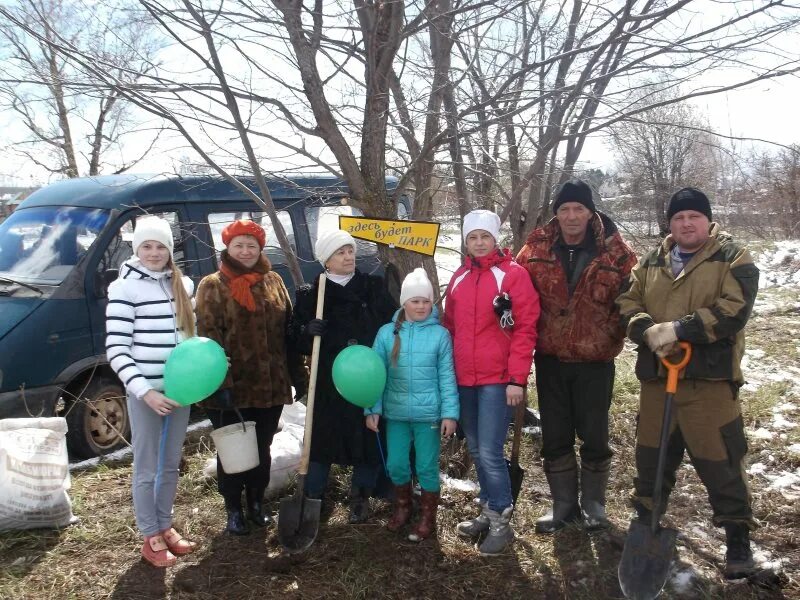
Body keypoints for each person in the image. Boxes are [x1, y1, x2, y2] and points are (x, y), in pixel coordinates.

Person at [616, 187, 760, 579]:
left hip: (709, 382)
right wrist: (646, 330)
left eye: (694, 216)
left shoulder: (732, 257)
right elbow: (628, 303)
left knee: (721, 461)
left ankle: (737, 543)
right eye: (679, 218)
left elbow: (735, 309)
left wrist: (680, 329)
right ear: (670, 223)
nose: (686, 223)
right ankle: (646, 525)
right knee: (651, 458)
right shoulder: (651, 260)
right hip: (659, 381)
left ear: (707, 220)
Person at [516, 179, 637, 533]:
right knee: (555, 434)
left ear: (590, 212)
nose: (571, 216)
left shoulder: (617, 254)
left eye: (579, 209)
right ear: (557, 213)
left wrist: (625, 330)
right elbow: (516, 288)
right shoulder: (535, 249)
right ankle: (563, 505)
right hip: (550, 359)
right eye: (565, 209)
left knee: (595, 434)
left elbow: (633, 300)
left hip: (595, 362)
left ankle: (594, 505)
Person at [196, 220, 308, 535]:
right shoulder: (212, 285)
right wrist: (222, 385)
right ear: (228, 248)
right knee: (234, 454)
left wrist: (299, 376)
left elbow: (288, 332)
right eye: (239, 245)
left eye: (251, 245)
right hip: (229, 388)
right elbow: (208, 338)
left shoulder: (273, 281)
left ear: (260, 248)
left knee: (261, 449)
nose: (245, 251)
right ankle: (233, 508)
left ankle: (256, 504)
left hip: (270, 386)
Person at [443, 209, 539, 556]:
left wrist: (517, 378)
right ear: (466, 242)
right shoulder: (458, 277)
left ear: (495, 239)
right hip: (464, 379)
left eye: (485, 236)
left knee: (490, 451)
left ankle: (501, 522)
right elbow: (450, 328)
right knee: (474, 447)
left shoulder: (513, 275)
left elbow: (525, 328)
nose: (479, 243)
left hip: (498, 380)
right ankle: (488, 509)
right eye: (473, 238)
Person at [105, 216, 197, 568]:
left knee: (171, 464)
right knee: (147, 468)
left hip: (179, 392)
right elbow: (117, 349)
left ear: (170, 250)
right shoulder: (124, 289)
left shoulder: (183, 285)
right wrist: (145, 393)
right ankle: (150, 535)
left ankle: (165, 523)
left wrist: (202, 372)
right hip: (147, 395)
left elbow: (190, 337)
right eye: (147, 246)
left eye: (161, 246)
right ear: (136, 249)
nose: (154, 253)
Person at [289, 229, 397, 523]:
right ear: (326, 260)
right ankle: (313, 497)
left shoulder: (372, 288)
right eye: (340, 252)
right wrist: (306, 331)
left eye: (350, 251)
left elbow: (391, 325)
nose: (348, 257)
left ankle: (360, 495)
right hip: (328, 379)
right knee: (323, 438)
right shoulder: (313, 294)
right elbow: (294, 341)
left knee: (367, 432)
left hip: (366, 376)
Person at [365, 268, 460, 542]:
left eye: (426, 301)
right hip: (395, 414)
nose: (420, 306)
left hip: (428, 415)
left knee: (427, 466)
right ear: (403, 302)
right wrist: (372, 409)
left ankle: (428, 515)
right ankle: (403, 506)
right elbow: (374, 375)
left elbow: (447, 376)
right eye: (415, 300)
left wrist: (450, 414)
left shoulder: (440, 335)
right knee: (396, 464)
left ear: (432, 303)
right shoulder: (386, 334)